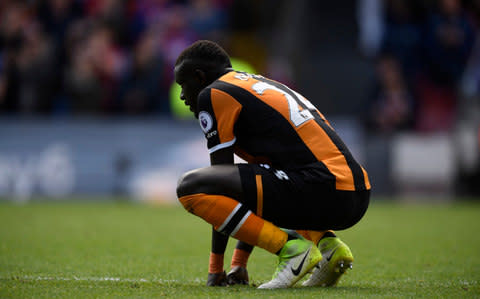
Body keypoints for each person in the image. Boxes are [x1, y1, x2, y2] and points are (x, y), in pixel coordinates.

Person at [175, 40, 371, 289]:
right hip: (353, 193)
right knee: (265, 181)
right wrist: (239, 264)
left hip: (323, 185)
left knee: (190, 187)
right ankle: (330, 247)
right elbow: (254, 190)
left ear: (199, 77)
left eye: (183, 85)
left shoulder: (213, 93)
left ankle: (291, 251)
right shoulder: (258, 85)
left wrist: (216, 269)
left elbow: (222, 185)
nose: (182, 95)